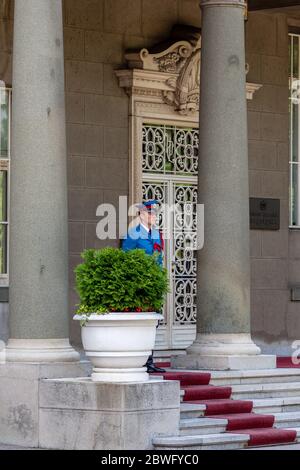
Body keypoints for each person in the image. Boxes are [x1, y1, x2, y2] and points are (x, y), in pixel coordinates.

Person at [122, 199, 166, 374]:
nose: (153, 216)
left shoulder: (157, 234)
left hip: (154, 284)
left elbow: (159, 258)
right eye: (150, 213)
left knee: (152, 323)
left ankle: (149, 360)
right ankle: (140, 360)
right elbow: (125, 259)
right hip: (139, 285)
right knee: (140, 322)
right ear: (141, 214)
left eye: (155, 213)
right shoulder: (133, 234)